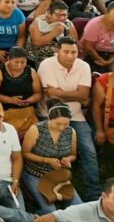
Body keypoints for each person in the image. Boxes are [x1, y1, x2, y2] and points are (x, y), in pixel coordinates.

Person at [37, 37, 100, 201]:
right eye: (66, 52)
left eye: (74, 52)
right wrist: (75, 95)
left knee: (89, 152)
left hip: (76, 115)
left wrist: (61, 93)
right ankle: (48, 189)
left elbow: (84, 95)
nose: (70, 56)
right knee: (50, 150)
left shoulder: (84, 66)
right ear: (57, 51)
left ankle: (93, 194)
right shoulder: (46, 65)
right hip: (51, 115)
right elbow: (52, 98)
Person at [21, 101, 82, 214]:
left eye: (66, 124)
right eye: (58, 123)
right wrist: (47, 160)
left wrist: (68, 159)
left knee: (78, 207)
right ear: (49, 118)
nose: (62, 127)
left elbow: (73, 155)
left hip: (58, 175)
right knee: (50, 210)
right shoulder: (36, 130)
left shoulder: (71, 132)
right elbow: (25, 153)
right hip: (35, 174)